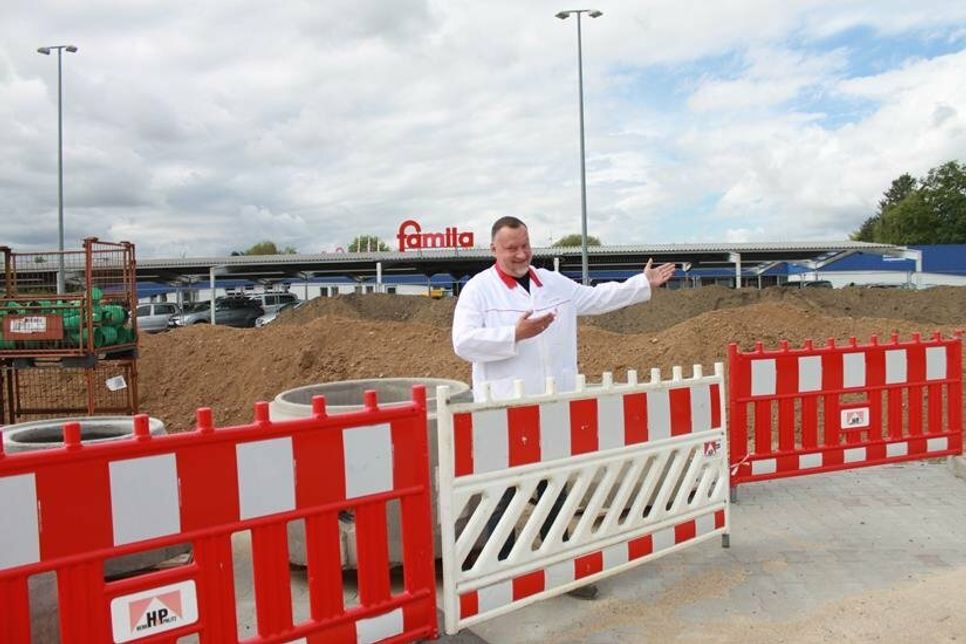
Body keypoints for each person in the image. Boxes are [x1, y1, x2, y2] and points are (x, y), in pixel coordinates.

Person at [451, 215, 675, 599]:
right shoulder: (478, 291)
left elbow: (597, 298)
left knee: (553, 488)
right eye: (511, 248)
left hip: (550, 408)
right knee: (505, 494)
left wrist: (642, 284)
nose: (521, 254)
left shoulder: (552, 283)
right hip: (504, 411)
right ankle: (505, 574)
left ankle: (564, 569)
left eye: (525, 245)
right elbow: (463, 343)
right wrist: (512, 335)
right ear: (494, 249)